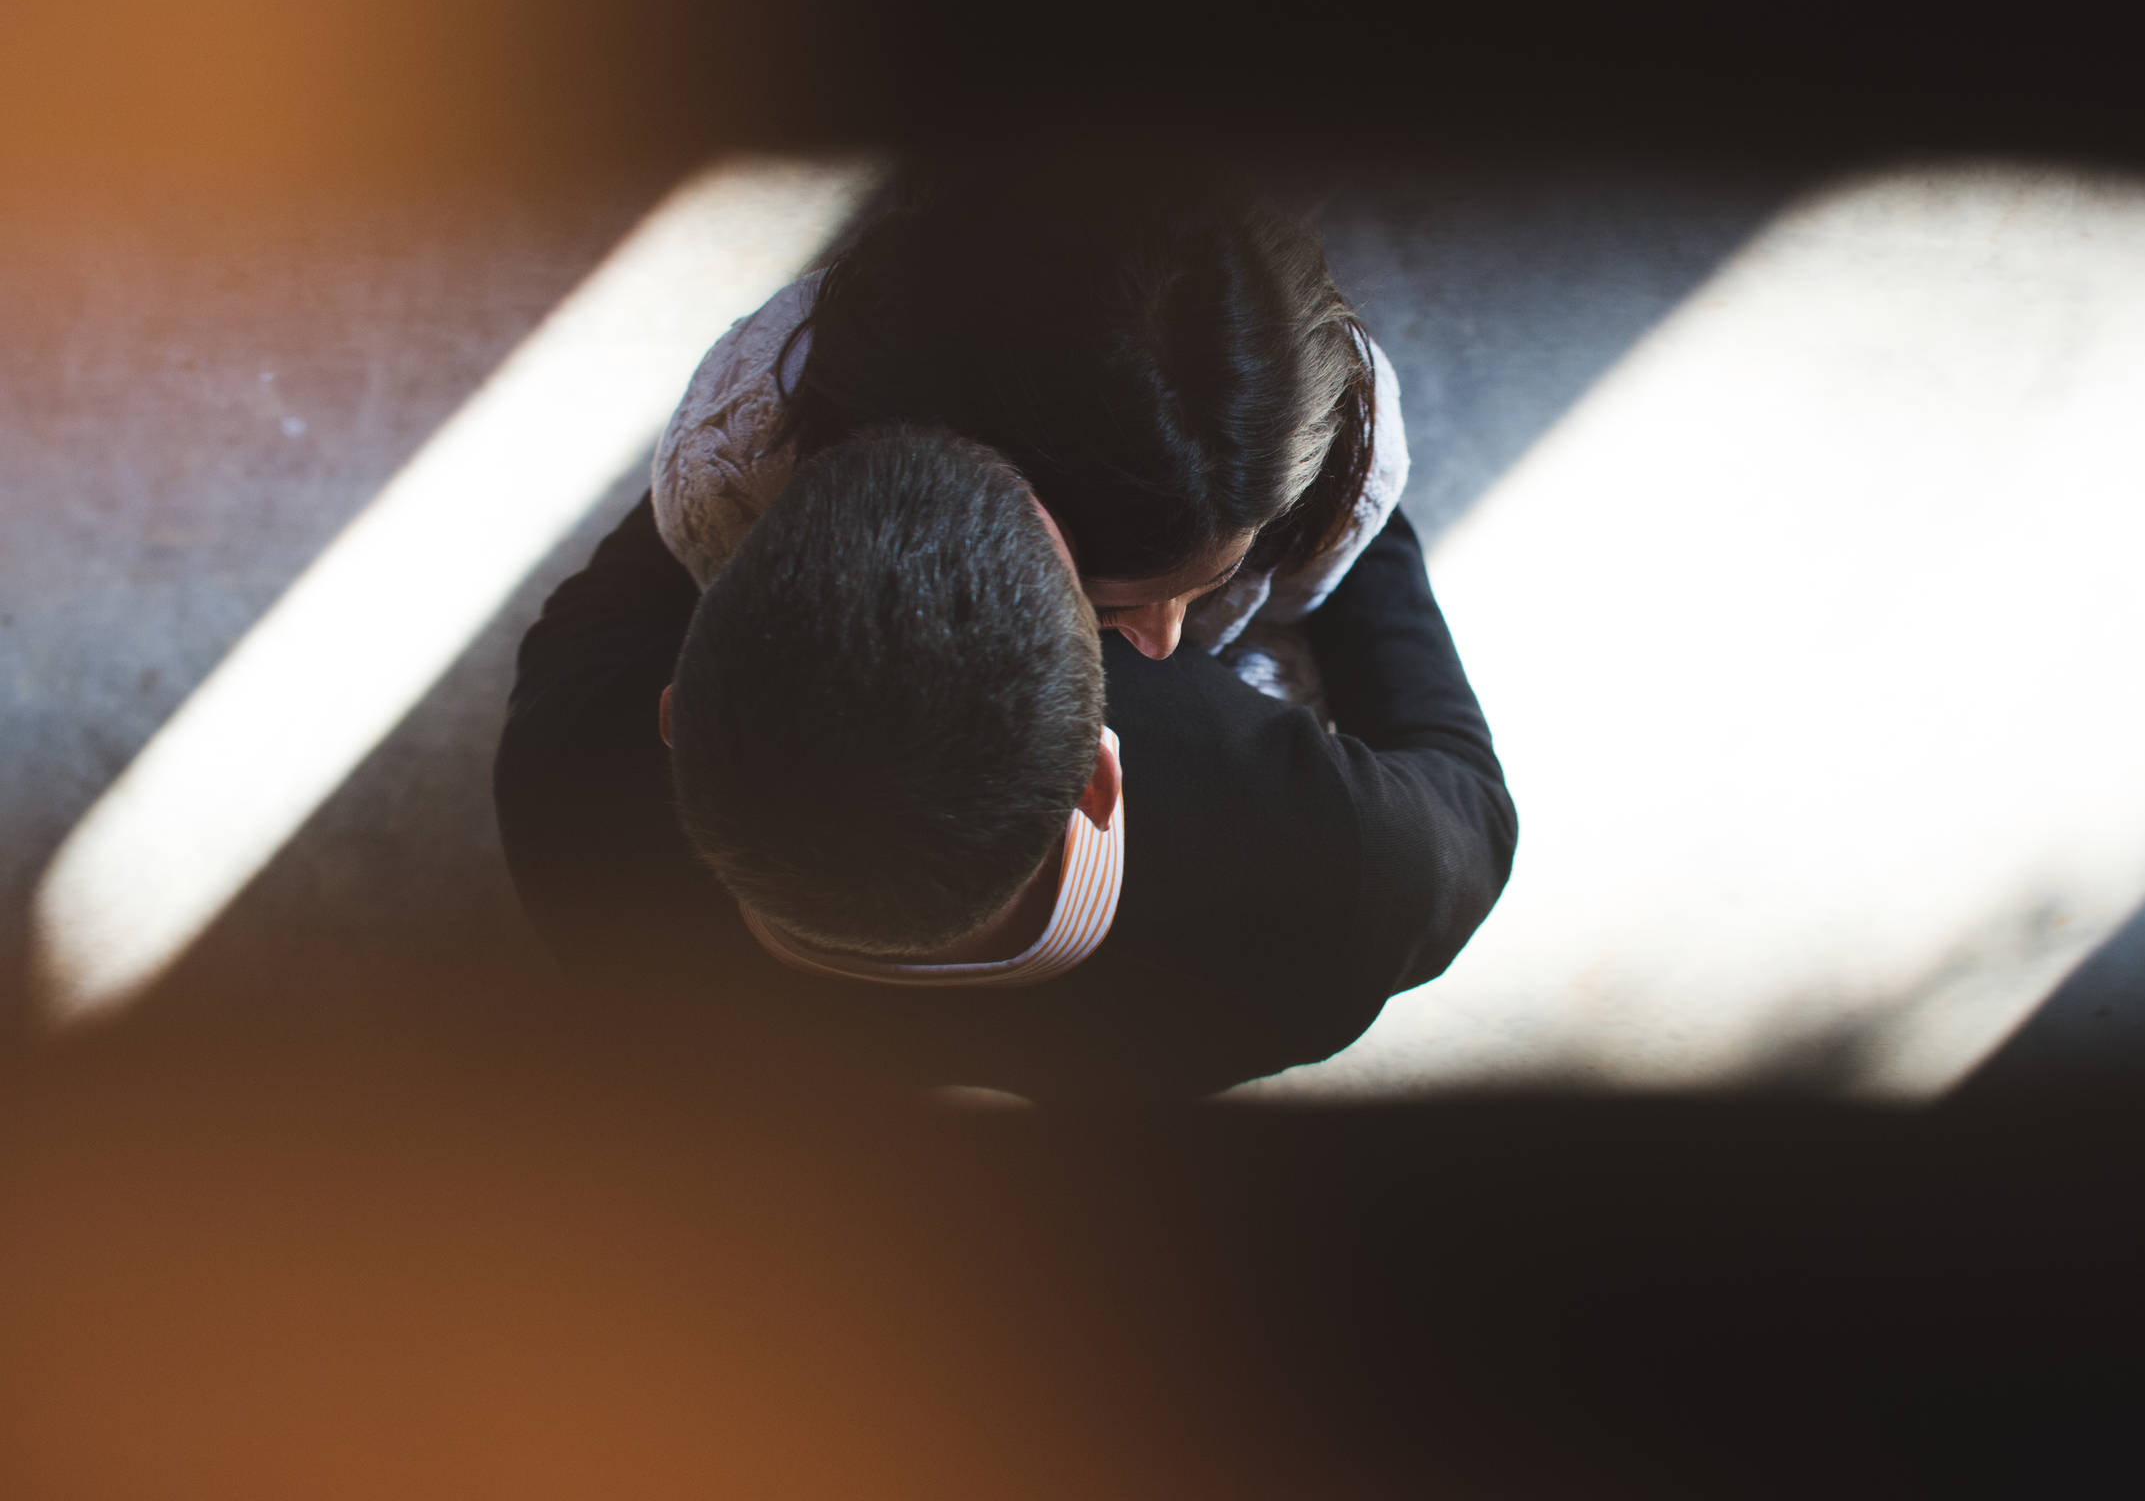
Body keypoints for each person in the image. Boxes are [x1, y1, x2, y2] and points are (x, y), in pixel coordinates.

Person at [495, 425, 1514, 1101]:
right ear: (1100, 782)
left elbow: (612, 591)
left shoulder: (564, 806)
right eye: (1082, 570)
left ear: (676, 715)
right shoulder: (1341, 887)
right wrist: (1355, 500)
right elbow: (1470, 797)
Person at [650, 153, 1409, 707]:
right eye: (1107, 606)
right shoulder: (738, 472)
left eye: (1208, 586)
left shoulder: (1347, 464)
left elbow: (1278, 629)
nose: (1165, 646)